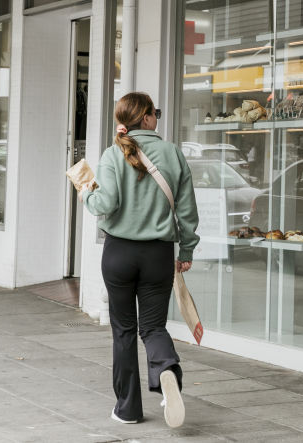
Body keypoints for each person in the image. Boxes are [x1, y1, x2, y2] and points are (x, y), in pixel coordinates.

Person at [80, 92, 199, 428]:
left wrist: (86, 192)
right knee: (153, 327)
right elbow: (188, 211)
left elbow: (106, 203)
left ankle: (128, 409)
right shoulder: (173, 152)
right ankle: (165, 370)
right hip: (159, 253)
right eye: (155, 113)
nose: (157, 118)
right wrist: (186, 250)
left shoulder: (112, 153)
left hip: (119, 252)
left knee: (124, 331)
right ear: (146, 118)